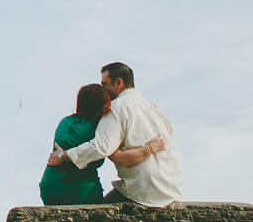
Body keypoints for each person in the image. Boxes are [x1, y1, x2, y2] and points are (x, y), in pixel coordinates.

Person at [45, 62, 183, 206]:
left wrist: (64, 156)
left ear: (118, 83)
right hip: (171, 189)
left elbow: (100, 148)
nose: (103, 90)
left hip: (144, 191)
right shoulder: (154, 109)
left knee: (99, 211)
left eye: (104, 84)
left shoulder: (116, 108)